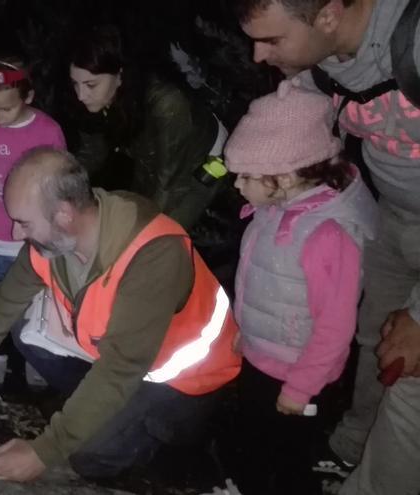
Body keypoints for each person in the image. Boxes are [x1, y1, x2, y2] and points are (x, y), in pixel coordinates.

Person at [0, 147, 241, 482]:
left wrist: (45, 450)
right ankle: (96, 412)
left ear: (64, 213)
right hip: (122, 356)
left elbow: (120, 368)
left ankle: (164, 441)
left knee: (89, 457)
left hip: (187, 380)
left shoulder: (153, 254)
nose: (16, 234)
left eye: (23, 222)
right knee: (24, 328)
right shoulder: (55, 239)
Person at [232, 1, 420, 493]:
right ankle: (349, 449)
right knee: (372, 340)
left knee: (409, 379)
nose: (256, 56)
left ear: (329, 16)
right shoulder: (321, 65)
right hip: (392, 217)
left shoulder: (411, 43)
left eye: (272, 40)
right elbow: (289, 131)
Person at [225, 80, 376, 494]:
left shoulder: (328, 235)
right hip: (261, 358)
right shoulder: (274, 207)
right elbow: (261, 278)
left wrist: (301, 388)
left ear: (287, 175)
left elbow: (335, 326)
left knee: (290, 459)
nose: (237, 185)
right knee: (253, 441)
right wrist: (247, 330)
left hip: (300, 375)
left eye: (247, 176)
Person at [67, 25, 229, 231]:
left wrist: (147, 230)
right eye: (75, 84)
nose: (81, 95)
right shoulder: (100, 99)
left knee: (158, 235)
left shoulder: (167, 103)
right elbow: (93, 152)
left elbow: (169, 181)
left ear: (120, 74)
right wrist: (62, 183)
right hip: (150, 157)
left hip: (201, 162)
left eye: (91, 85)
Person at [0, 57, 66, 281]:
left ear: (28, 97)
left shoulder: (48, 132)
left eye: (6, 108)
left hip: (37, 238)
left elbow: (61, 182)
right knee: (0, 292)